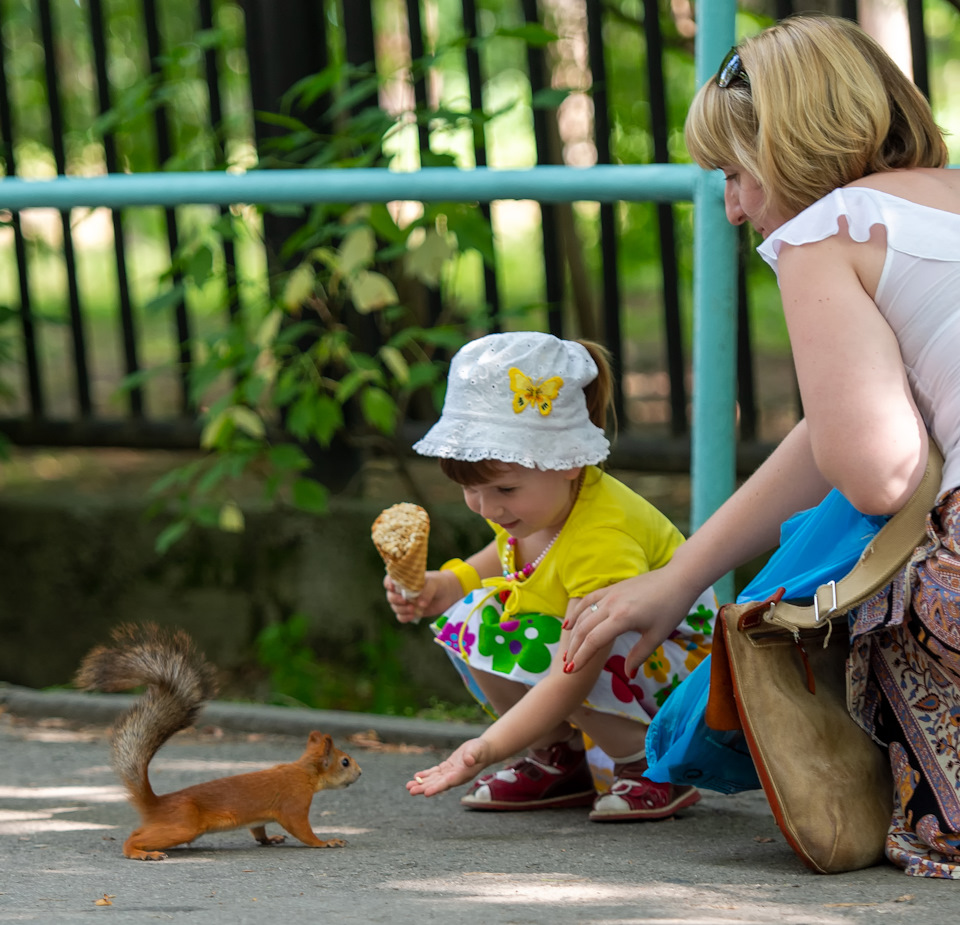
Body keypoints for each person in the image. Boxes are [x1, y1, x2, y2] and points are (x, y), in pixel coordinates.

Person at [564, 14, 960, 878]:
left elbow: (879, 469)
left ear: (796, 149)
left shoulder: (829, 228)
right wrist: (681, 576)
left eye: (738, 174)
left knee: (858, 562)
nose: (734, 205)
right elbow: (837, 429)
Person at [384, 331, 716, 821]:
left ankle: (648, 766)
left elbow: (573, 674)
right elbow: (507, 557)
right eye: (470, 490)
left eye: (505, 488)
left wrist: (485, 748)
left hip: (677, 670)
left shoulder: (601, 534)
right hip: (599, 651)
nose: (488, 508)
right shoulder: (537, 509)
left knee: (569, 642)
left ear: (569, 462)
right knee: (472, 618)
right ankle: (556, 757)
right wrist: (446, 586)